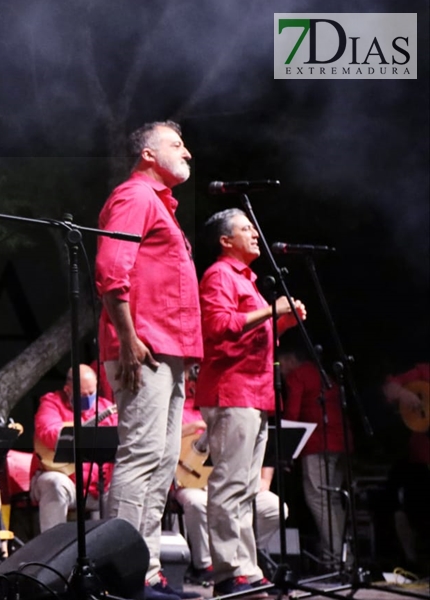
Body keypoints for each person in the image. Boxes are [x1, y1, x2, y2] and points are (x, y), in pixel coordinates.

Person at [95, 120, 203, 600]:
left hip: (168, 350)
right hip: (143, 346)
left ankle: (148, 569)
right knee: (141, 455)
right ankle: (116, 574)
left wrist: (189, 355)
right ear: (147, 155)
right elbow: (110, 271)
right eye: (176, 145)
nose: (188, 153)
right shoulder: (135, 197)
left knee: (161, 460)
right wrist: (127, 338)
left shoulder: (161, 206)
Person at [195, 208, 305, 596]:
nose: (255, 233)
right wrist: (270, 311)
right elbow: (219, 328)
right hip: (231, 391)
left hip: (253, 394)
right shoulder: (219, 275)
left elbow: (250, 334)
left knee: (245, 489)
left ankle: (244, 567)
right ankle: (229, 571)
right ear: (226, 241)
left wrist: (281, 322)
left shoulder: (248, 280)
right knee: (230, 485)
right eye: (246, 228)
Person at [174, 386, 284, 583]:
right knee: (204, 500)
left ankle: (247, 562)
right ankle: (216, 567)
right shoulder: (182, 404)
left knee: (274, 507)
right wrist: (193, 428)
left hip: (258, 395)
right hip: (193, 482)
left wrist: (265, 479)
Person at [278, 345, 348, 566]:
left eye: (280, 363)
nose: (279, 370)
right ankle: (344, 558)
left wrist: (287, 449)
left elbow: (292, 413)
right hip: (341, 442)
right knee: (333, 500)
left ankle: (334, 558)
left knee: (318, 500)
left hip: (318, 442)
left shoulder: (298, 376)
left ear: (290, 358)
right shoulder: (322, 373)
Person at [30, 364, 117, 531]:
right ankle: (53, 549)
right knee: (55, 483)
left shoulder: (107, 407)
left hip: (100, 486)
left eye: (91, 393)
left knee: (126, 487)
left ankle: (117, 549)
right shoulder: (51, 403)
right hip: (65, 480)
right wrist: (80, 433)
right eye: (82, 395)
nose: (88, 398)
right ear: (67, 390)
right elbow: (48, 432)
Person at [380, 362, 430, 569]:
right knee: (408, 509)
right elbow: (390, 387)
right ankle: (415, 563)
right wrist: (404, 394)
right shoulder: (424, 371)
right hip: (421, 459)